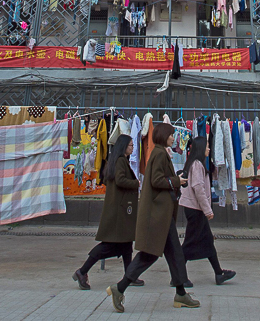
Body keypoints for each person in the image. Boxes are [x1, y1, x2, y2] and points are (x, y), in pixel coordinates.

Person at [107, 122, 199, 312]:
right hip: (158, 215)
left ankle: (180, 293)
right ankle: (120, 288)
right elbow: (156, 180)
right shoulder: (158, 153)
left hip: (162, 215)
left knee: (174, 254)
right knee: (149, 255)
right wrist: (176, 180)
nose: (173, 138)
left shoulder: (159, 152)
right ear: (163, 136)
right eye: (171, 135)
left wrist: (175, 180)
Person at [73, 135, 144, 290]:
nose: (132, 147)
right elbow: (120, 180)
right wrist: (136, 183)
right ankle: (82, 271)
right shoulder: (120, 161)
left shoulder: (118, 161)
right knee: (108, 246)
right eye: (130, 145)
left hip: (119, 210)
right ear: (123, 146)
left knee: (126, 244)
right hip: (118, 212)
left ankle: (129, 275)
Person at [180, 137, 236, 285]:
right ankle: (178, 276)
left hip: (194, 208)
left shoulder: (195, 163)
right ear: (201, 148)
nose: (209, 149)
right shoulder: (197, 165)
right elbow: (198, 188)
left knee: (207, 241)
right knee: (189, 244)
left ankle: (219, 273)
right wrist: (207, 210)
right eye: (207, 147)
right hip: (195, 209)